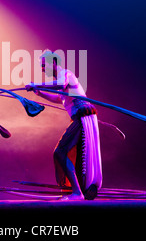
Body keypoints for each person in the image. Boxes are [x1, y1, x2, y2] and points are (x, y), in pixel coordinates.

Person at [25, 50, 102, 200]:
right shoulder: (61, 80)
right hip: (80, 117)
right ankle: (78, 190)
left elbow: (61, 84)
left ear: (53, 62)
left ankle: (77, 192)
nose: (42, 69)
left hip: (82, 115)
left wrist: (37, 84)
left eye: (43, 65)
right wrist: (39, 93)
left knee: (60, 151)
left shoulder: (66, 73)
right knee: (76, 155)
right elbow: (59, 98)